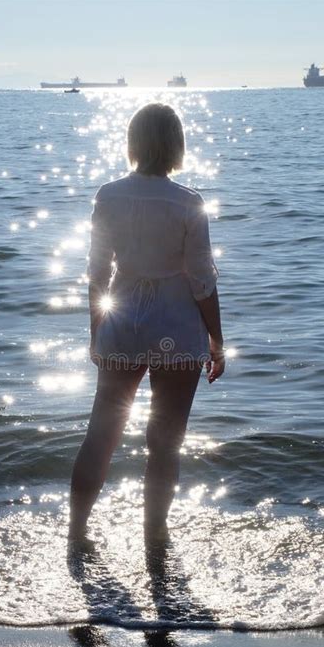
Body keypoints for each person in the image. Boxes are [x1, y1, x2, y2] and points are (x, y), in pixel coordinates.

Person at [69, 103, 225, 543]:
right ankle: (155, 535)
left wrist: (95, 330)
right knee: (165, 441)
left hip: (123, 324)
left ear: (133, 143)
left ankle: (77, 532)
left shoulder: (108, 195)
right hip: (177, 327)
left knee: (101, 434)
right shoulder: (189, 202)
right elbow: (201, 281)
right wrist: (217, 340)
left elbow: (97, 271)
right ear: (177, 145)